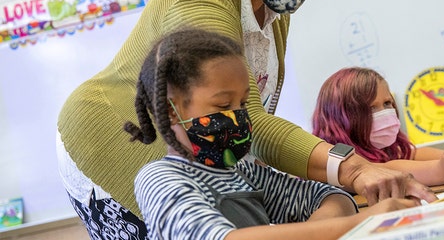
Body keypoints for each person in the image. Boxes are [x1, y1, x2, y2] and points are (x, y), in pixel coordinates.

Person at [56, 0, 434, 238]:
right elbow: (258, 126)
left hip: (208, 158)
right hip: (112, 142)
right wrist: (353, 175)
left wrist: (338, 214)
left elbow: (318, 192)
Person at [127, 28, 419, 239]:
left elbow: (332, 197)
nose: (238, 115)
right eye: (223, 104)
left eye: (242, 104)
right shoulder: (159, 180)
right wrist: (361, 222)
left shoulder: (241, 171)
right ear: (169, 111)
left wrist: (311, 232)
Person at [312, 67, 444, 186]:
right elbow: (385, 171)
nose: (385, 112)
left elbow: (411, 154)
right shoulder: (335, 158)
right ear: (341, 117)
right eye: (371, 108)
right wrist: (441, 170)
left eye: (387, 103)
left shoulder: (383, 148)